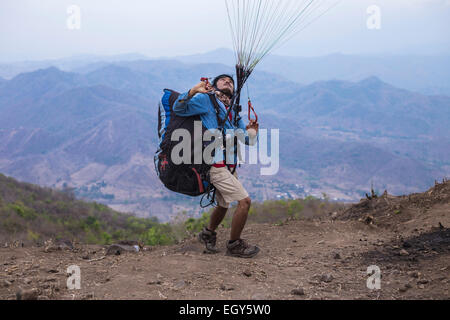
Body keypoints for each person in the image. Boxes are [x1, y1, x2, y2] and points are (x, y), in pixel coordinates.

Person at [173, 74, 260, 258]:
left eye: (231, 81)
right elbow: (178, 108)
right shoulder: (206, 100)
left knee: (223, 204)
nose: (228, 82)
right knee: (244, 202)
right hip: (213, 163)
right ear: (214, 85)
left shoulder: (233, 111)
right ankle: (234, 245)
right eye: (223, 80)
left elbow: (246, 140)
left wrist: (252, 132)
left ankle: (207, 234)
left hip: (228, 165)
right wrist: (192, 91)